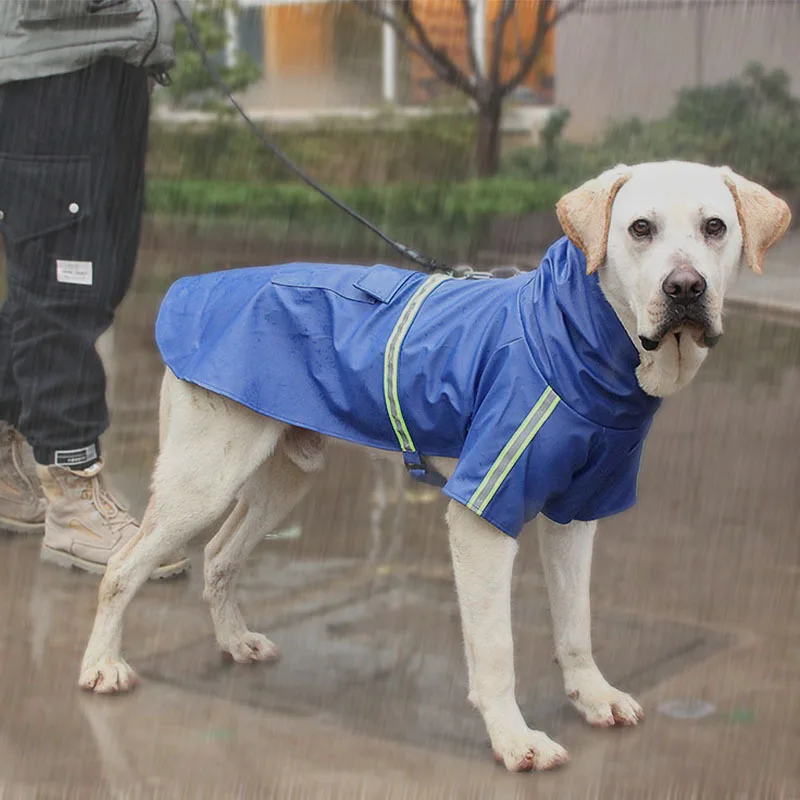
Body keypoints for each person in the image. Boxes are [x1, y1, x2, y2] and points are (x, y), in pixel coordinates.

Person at [0, 0, 188, 579]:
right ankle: (74, 500)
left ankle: (6, 465)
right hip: (51, 77)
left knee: (89, 278)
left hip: (112, 67)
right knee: (63, 286)